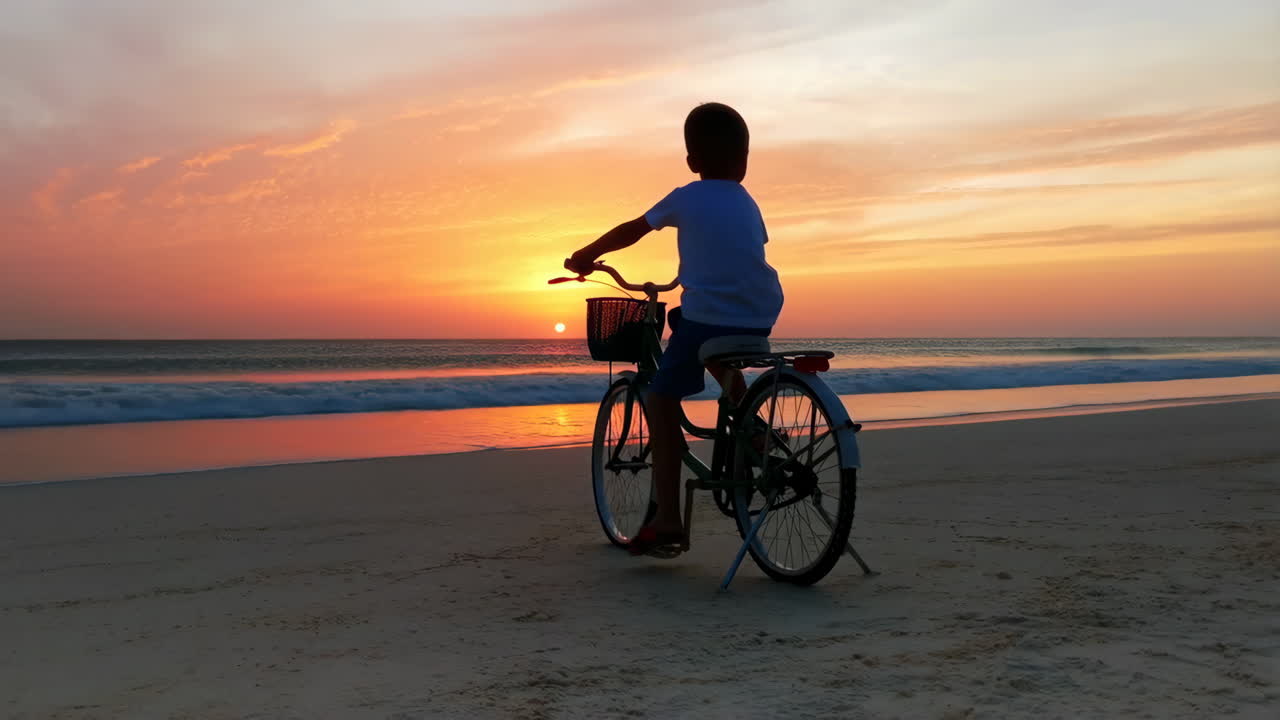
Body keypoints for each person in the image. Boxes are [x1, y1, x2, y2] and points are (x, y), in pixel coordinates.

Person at [566, 102, 784, 557]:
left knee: (660, 398)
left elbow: (633, 230)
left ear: (692, 161)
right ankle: (755, 429)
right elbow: (741, 251)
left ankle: (667, 517)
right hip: (761, 311)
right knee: (693, 329)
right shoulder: (747, 201)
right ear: (743, 160)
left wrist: (585, 254)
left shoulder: (685, 196)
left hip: (712, 314)